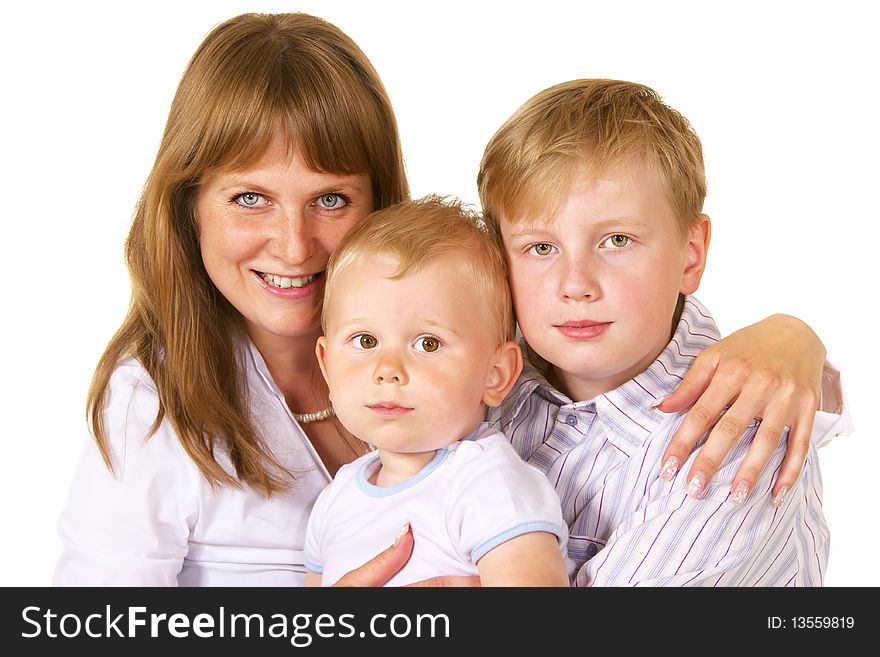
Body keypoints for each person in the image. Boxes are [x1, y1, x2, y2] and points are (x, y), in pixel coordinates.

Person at [52, 12, 841, 587]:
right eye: (249, 199)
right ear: (190, 207)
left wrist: (791, 336)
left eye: (330, 199)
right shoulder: (154, 404)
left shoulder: (495, 354)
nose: (293, 245)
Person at [477, 79, 851, 585]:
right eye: (540, 248)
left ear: (691, 253)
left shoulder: (735, 444)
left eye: (616, 239)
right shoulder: (495, 383)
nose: (575, 285)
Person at [304, 197, 570, 587]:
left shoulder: (487, 482)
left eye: (428, 344)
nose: (388, 371)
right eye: (364, 341)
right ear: (327, 365)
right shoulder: (336, 498)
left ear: (495, 375)